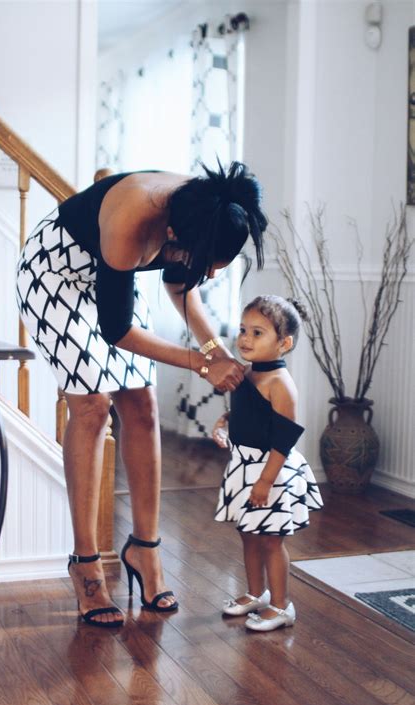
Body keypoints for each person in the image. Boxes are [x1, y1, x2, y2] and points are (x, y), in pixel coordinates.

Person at [16, 161, 268, 628]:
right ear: (174, 234)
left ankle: (145, 551)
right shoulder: (135, 213)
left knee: (143, 405)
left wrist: (214, 348)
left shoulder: (202, 210)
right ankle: (86, 564)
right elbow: (118, 329)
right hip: (57, 276)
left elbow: (180, 284)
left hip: (117, 277)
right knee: (92, 404)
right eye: (209, 264)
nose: (210, 275)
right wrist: (201, 363)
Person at [213, 295, 323, 631]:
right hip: (244, 465)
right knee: (248, 533)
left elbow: (283, 437)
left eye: (257, 333)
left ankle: (281, 605)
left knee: (272, 539)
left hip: (270, 469)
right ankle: (255, 594)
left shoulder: (280, 383)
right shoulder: (246, 373)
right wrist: (224, 421)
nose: (245, 338)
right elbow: (251, 413)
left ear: (284, 343)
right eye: (244, 330)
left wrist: (265, 481)